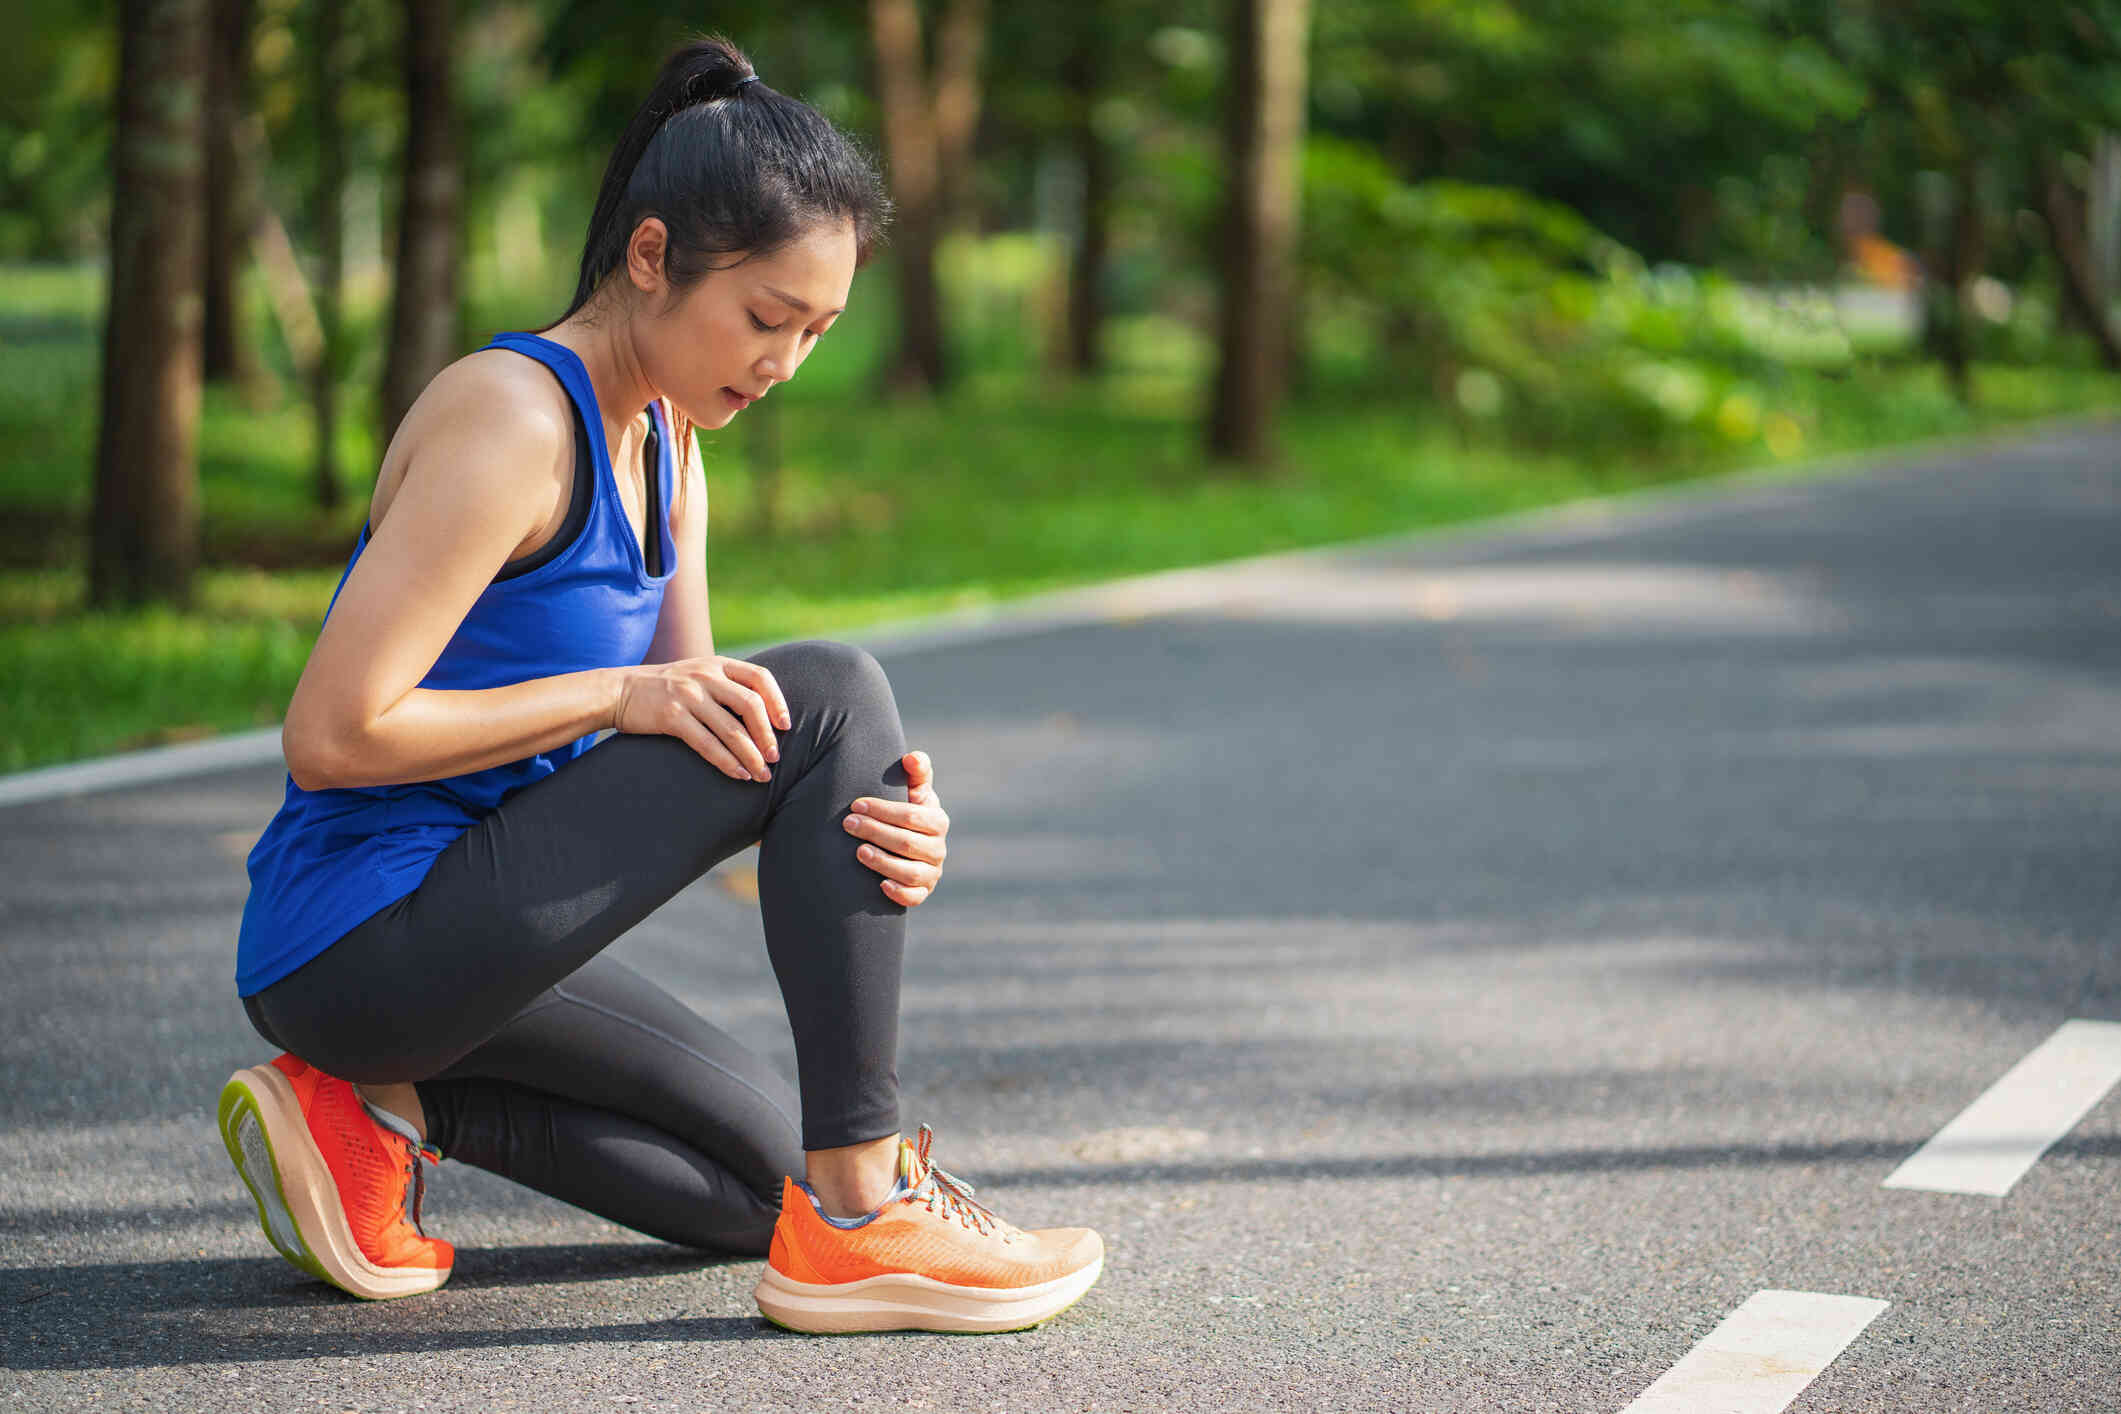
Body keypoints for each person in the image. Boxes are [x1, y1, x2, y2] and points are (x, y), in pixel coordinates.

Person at [216, 35, 1103, 1336]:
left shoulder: (675, 452)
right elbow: (332, 732)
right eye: (763, 317)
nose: (784, 364)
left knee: (761, 1192)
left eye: (817, 331)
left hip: (470, 946)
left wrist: (876, 828)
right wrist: (611, 699)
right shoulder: (512, 419)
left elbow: (717, 739)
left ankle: (382, 1108)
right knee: (835, 689)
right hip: (362, 932)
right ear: (649, 257)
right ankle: (867, 1212)